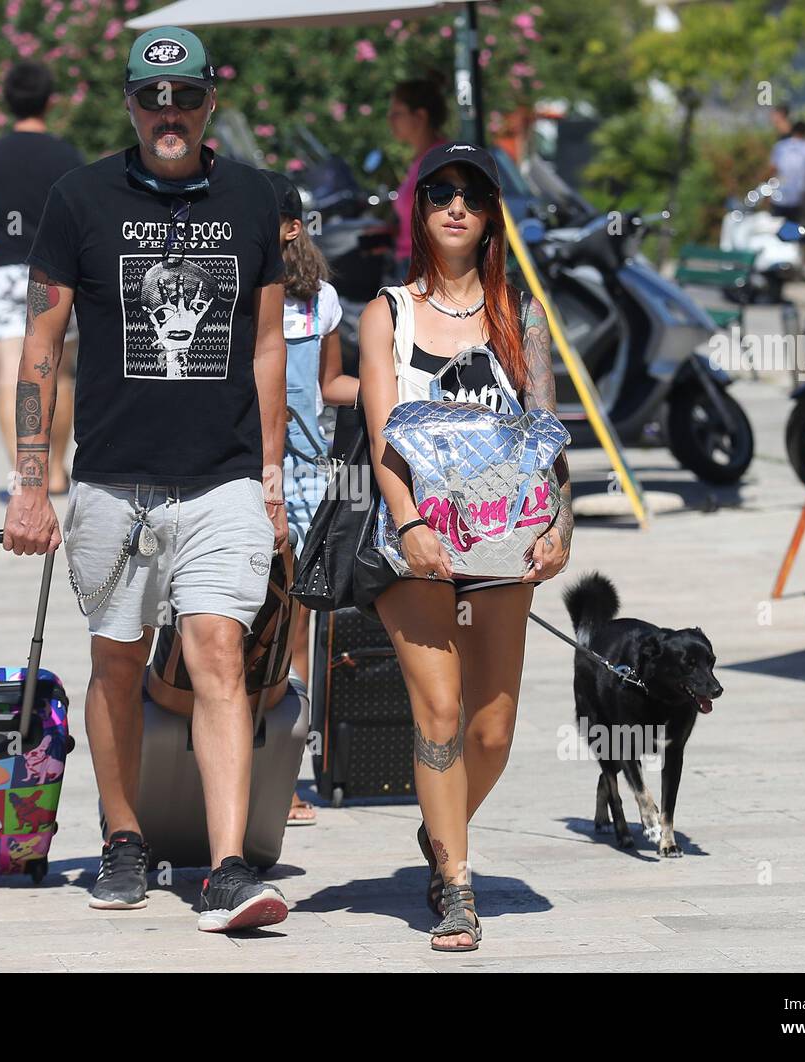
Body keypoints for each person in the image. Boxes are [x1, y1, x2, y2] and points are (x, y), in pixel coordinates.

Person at [2, 26, 292, 933]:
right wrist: (29, 481)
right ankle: (123, 839)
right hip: (113, 481)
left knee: (218, 653)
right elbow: (41, 347)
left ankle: (230, 866)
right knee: (117, 660)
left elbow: (269, 343)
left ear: (212, 101)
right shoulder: (77, 197)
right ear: (129, 103)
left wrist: (275, 471)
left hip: (223, 480)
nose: (168, 115)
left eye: (186, 99)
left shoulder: (260, 197)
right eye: (150, 99)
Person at [359, 142, 573, 952]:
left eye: (473, 194)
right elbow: (383, 435)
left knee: (493, 730)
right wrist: (410, 524)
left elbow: (550, 438)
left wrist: (560, 521)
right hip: (413, 542)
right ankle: (456, 883)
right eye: (440, 191)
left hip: (504, 545)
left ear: (491, 216)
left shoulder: (520, 314)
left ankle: (438, 829)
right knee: (441, 713)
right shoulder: (388, 310)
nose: (455, 205)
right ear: (419, 209)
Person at [258, 169, 358, 827]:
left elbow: (331, 385)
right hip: (245, 470)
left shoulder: (320, 301)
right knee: (245, 617)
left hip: (305, 475)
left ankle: (283, 777)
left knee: (296, 621)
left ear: (293, 227)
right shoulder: (231, 291)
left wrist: (400, 387)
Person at [0, 61, 84, 497]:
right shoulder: (66, 155)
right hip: (57, 276)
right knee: (60, 376)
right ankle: (53, 471)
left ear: (6, 102)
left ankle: (24, 474)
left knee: (11, 377)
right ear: (51, 101)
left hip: (6, 271)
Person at [387, 78, 448, 281]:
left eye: (397, 113)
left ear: (420, 116)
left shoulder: (440, 160)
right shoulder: (421, 160)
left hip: (426, 269)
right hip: (410, 264)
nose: (390, 120)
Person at [767, 119, 805, 223]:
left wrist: (768, 191)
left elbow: (772, 169)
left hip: (779, 196)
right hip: (798, 198)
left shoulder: (781, 146)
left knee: (775, 228)